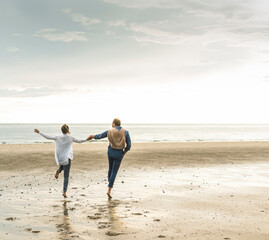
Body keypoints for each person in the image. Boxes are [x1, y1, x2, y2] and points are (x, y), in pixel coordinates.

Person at [34, 124, 87, 198]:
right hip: (67, 158)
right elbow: (79, 141)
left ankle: (59, 170)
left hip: (60, 159)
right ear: (68, 130)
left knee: (63, 165)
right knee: (66, 176)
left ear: (62, 130)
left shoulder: (57, 137)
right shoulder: (70, 137)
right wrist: (88, 138)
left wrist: (39, 132)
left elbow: (48, 137)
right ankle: (64, 192)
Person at [87, 118, 131, 199]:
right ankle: (109, 190)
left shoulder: (109, 131)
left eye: (112, 123)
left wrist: (91, 136)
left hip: (110, 152)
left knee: (110, 169)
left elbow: (99, 136)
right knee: (114, 171)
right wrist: (124, 152)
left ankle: (109, 183)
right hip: (119, 153)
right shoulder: (126, 132)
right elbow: (129, 146)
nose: (112, 125)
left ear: (114, 124)